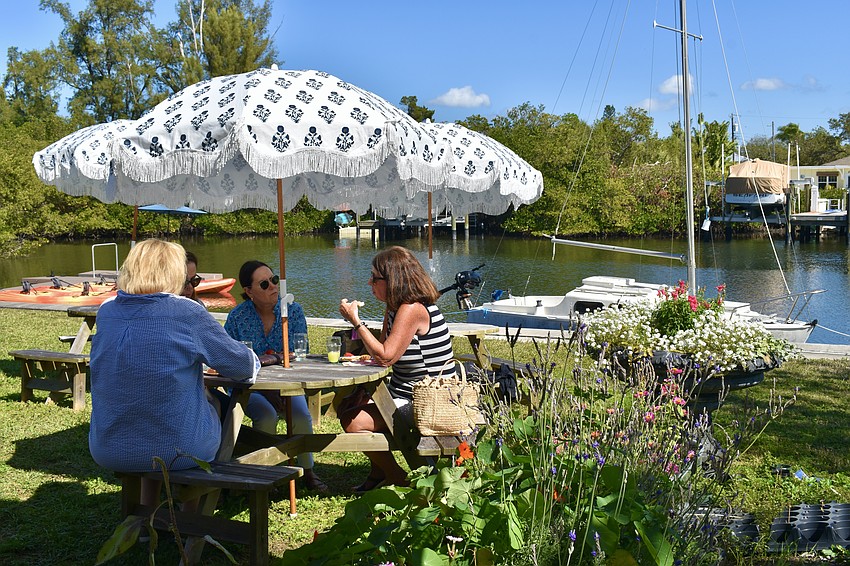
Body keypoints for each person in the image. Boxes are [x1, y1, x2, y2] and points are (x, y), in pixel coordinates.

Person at [89, 239, 259, 507]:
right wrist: (255, 357)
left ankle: (146, 514)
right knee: (212, 405)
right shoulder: (186, 311)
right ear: (174, 272)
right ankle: (191, 513)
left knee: (156, 408)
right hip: (178, 451)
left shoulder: (107, 311)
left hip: (110, 447)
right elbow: (242, 367)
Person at [338, 246, 455, 491]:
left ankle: (397, 477)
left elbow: (385, 357)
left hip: (429, 401)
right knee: (348, 404)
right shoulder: (396, 307)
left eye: (375, 278)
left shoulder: (412, 309)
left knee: (352, 421)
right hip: (404, 393)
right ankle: (378, 473)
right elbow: (382, 347)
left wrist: (355, 321)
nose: (369, 283)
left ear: (392, 280)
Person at [224, 260, 328, 492]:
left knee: (301, 415)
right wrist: (266, 388)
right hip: (249, 386)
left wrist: (279, 371)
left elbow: (301, 351)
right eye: (264, 284)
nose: (272, 286)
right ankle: (264, 472)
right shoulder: (237, 317)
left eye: (273, 280)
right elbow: (231, 358)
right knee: (266, 415)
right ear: (249, 291)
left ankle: (308, 470)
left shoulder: (291, 310)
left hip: (287, 384)